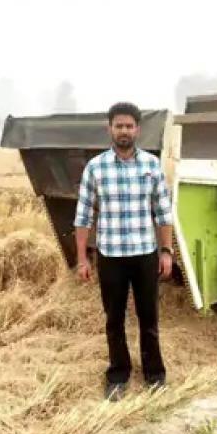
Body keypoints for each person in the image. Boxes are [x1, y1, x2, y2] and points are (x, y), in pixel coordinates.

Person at [73, 102, 174, 401]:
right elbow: (83, 217)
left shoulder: (151, 166)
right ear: (110, 129)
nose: (124, 131)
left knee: (149, 318)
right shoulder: (96, 167)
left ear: (138, 130)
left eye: (130, 126)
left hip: (145, 255)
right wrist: (82, 259)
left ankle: (154, 374)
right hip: (111, 257)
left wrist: (166, 251)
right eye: (119, 126)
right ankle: (118, 374)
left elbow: (163, 212)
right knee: (114, 319)